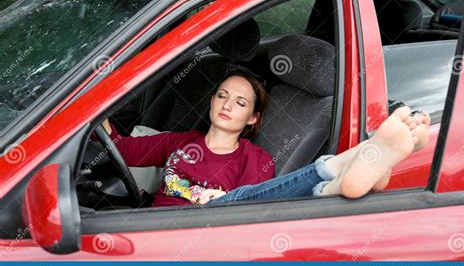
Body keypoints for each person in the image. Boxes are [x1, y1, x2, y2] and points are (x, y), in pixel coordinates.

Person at [101, 69, 430, 207]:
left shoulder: (253, 158)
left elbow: (253, 212)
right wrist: (91, 105)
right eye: (222, 95)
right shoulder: (181, 141)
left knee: (238, 200)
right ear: (212, 101)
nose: (228, 105)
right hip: (154, 231)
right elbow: (120, 148)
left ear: (253, 118)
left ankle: (349, 163)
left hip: (205, 232)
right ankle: (348, 168)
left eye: (240, 103)